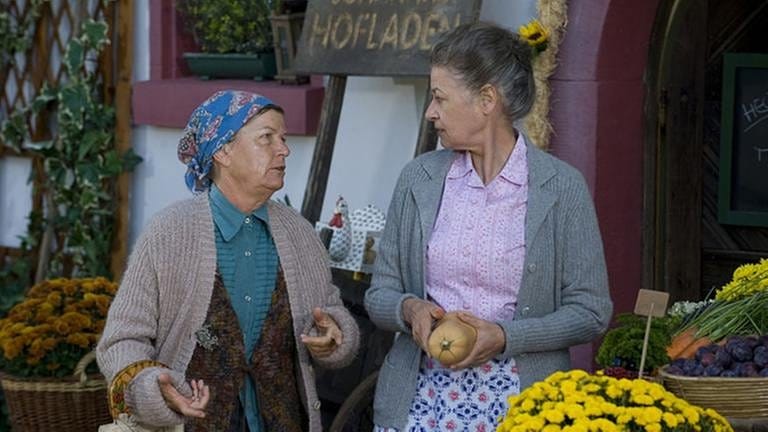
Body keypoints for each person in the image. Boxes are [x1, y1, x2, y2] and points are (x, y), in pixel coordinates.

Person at [364, 22, 613, 431]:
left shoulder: (561, 187)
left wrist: (504, 336)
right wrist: (410, 309)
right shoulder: (418, 179)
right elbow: (380, 294)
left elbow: (591, 311)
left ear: (486, 100)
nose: (431, 112)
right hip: (420, 402)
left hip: (525, 405)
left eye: (440, 98)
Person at [97, 90, 360, 432]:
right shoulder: (170, 233)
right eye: (267, 138)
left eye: (283, 138)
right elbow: (122, 340)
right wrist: (153, 389)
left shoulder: (300, 234)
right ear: (223, 151)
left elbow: (332, 314)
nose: (284, 149)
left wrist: (335, 337)